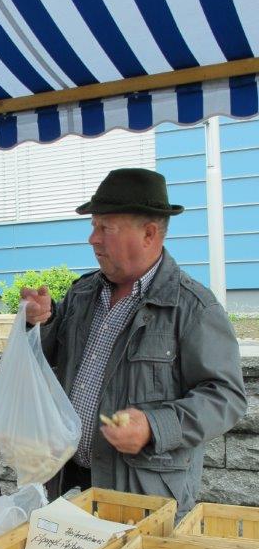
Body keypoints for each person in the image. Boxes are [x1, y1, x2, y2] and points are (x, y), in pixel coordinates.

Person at [22, 168, 246, 516]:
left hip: (140, 497)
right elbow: (45, 356)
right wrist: (39, 321)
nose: (92, 239)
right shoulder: (82, 294)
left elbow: (227, 397)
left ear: (149, 233)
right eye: (93, 226)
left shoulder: (193, 307)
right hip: (67, 484)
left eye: (105, 228)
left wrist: (155, 425)